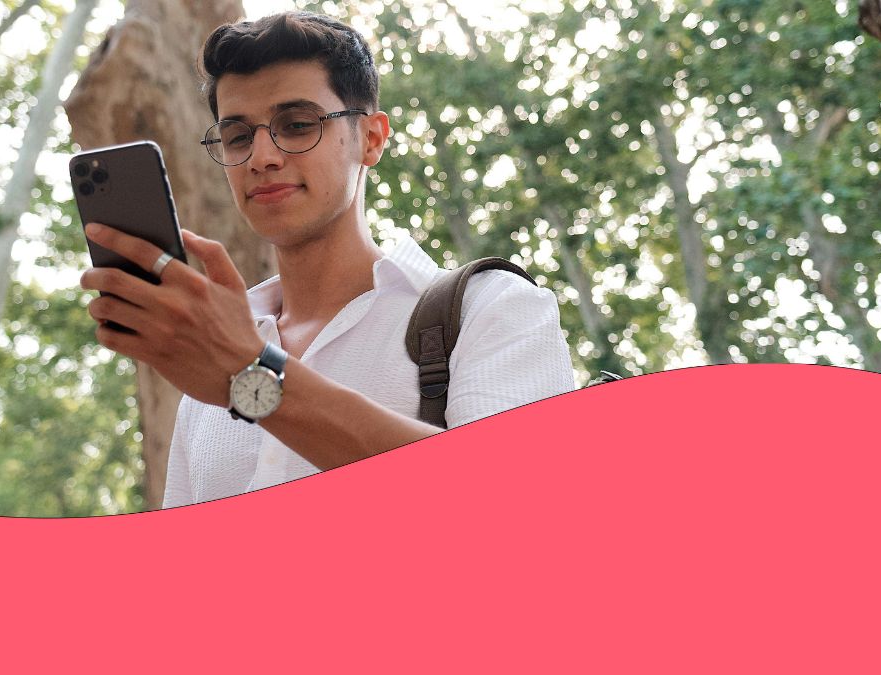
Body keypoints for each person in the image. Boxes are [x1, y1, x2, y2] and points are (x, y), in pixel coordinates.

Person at [79, 11, 576, 506]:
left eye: (296, 125)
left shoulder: (492, 309)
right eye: (237, 136)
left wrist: (252, 376)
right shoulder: (217, 352)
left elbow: (517, 504)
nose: (261, 157)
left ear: (372, 138)